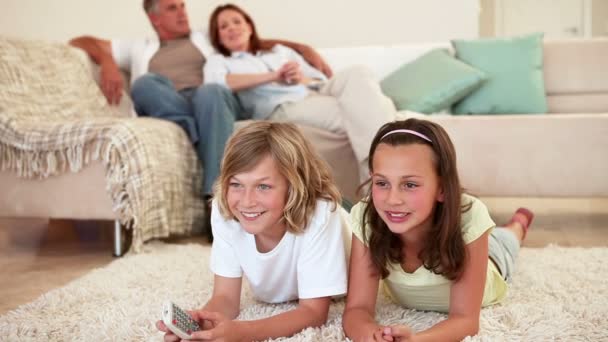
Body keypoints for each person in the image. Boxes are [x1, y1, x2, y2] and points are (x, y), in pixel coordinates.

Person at [68, 0, 333, 203]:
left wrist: (301, 47)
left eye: (183, 5)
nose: (183, 12)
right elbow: (80, 40)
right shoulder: (140, 45)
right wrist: (108, 63)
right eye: (173, 8)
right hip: (173, 103)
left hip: (215, 102)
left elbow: (248, 37)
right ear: (155, 18)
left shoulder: (204, 37)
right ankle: (197, 131)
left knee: (210, 91)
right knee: (144, 84)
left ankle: (214, 198)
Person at [342, 118, 535, 341]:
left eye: (410, 184)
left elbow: (465, 319)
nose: (392, 199)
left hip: (490, 258)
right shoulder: (367, 216)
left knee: (506, 240)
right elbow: (357, 309)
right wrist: (371, 336)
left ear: (442, 189)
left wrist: (416, 340)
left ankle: (518, 224)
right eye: (382, 183)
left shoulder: (471, 216)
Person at [156, 121, 351, 341]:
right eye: (236, 184)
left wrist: (241, 332)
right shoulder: (225, 209)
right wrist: (205, 326)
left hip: (347, 220)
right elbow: (226, 298)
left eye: (263, 186)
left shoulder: (322, 213)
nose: (247, 201)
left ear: (294, 187)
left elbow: (314, 313)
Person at [204, 3, 397, 182]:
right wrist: (273, 76)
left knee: (359, 73)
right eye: (223, 26)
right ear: (218, 37)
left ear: (249, 26)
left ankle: (381, 165)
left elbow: (318, 80)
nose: (231, 28)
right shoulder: (219, 61)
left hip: (315, 90)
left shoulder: (279, 51)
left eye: (237, 22)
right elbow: (218, 82)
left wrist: (299, 78)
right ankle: (380, 169)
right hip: (285, 105)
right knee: (362, 112)